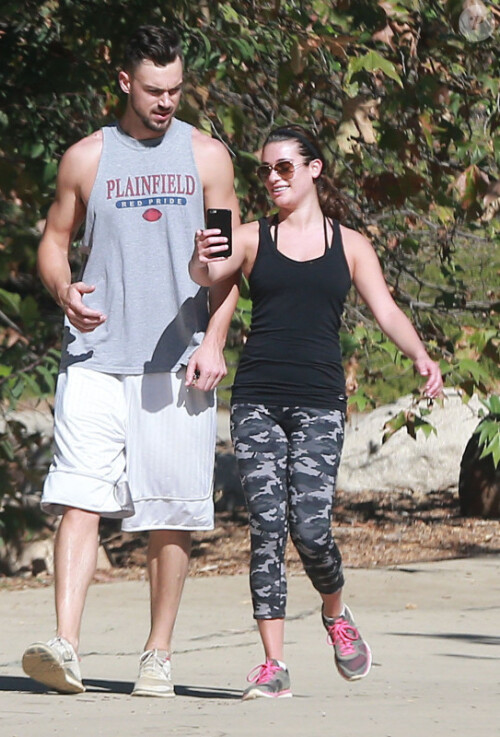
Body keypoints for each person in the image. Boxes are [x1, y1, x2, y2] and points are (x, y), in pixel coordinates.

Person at [21, 25, 240, 698]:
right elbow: (54, 242)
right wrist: (63, 288)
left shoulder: (209, 157)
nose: (166, 102)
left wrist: (214, 340)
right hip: (93, 355)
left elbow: (229, 263)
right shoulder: (86, 158)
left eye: (175, 89)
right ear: (124, 82)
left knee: (169, 511)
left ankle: (158, 655)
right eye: (153, 90)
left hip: (176, 360)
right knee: (80, 498)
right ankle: (66, 645)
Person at [189, 124, 443, 700]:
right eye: (266, 170)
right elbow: (210, 282)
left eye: (284, 168)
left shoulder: (349, 244)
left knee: (309, 527)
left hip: (320, 401)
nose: (273, 178)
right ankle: (273, 664)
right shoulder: (252, 237)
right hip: (256, 398)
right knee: (266, 529)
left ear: (314, 170)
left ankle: (335, 611)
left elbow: (386, 309)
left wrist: (422, 356)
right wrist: (201, 260)